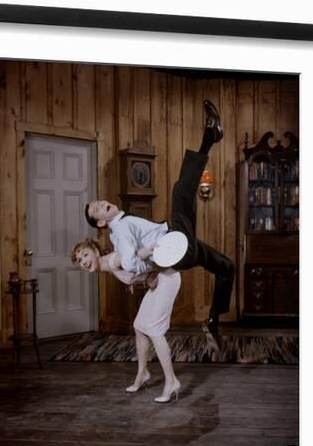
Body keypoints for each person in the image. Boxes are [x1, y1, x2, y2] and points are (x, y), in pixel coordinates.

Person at [84, 99, 235, 351]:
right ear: (101, 221)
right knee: (180, 192)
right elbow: (131, 263)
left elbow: (130, 266)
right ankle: (210, 136)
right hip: (174, 247)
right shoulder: (119, 231)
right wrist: (149, 261)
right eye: (98, 208)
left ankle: (213, 321)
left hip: (181, 248)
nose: (102, 203)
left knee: (226, 266)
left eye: (100, 201)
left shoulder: (122, 224)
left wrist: (146, 275)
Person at [71, 238, 182, 403]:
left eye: (86, 255)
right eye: (80, 260)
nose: (84, 262)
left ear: (96, 252)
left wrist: (153, 272)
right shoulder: (109, 266)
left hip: (167, 279)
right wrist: (138, 278)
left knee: (154, 330)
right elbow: (135, 267)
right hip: (159, 281)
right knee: (139, 326)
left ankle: (172, 381)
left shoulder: (113, 261)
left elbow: (141, 258)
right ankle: (142, 373)